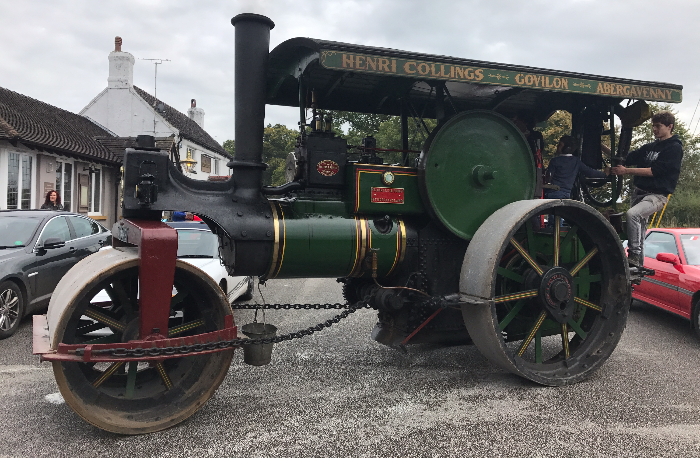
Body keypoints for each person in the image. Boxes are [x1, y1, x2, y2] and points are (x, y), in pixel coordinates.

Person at [610, 111, 683, 266]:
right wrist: (600, 146)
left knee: (633, 215)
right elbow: (624, 158)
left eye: (658, 126)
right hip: (638, 194)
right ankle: (637, 268)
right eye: (653, 126)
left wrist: (626, 171)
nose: (654, 129)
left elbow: (654, 171)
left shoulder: (674, 148)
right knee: (639, 232)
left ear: (669, 127)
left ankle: (634, 254)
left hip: (656, 196)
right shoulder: (649, 147)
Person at [544, 135, 609, 199]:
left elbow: (547, 179)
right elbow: (590, 172)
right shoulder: (576, 161)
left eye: (560, 145)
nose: (557, 146)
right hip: (566, 195)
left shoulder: (555, 161)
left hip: (552, 194)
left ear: (567, 148)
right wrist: (604, 174)